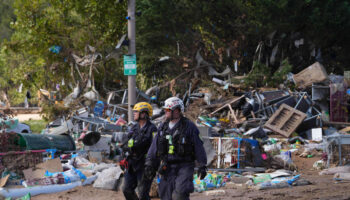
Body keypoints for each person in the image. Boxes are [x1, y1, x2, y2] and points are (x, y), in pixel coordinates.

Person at [144, 97, 207, 200]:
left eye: (168, 110)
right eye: (165, 109)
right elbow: (154, 147)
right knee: (165, 195)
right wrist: (149, 164)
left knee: (179, 195)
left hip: (184, 166)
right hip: (167, 167)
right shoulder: (162, 127)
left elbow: (198, 146)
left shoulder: (189, 127)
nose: (165, 112)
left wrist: (202, 165)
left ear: (177, 110)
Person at [121, 102, 157, 200]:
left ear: (144, 113)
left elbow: (155, 149)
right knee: (126, 189)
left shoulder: (152, 129)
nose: (134, 113)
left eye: (136, 111)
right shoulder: (134, 127)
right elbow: (126, 142)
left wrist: (152, 165)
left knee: (143, 194)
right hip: (132, 164)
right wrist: (123, 158)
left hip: (144, 166)